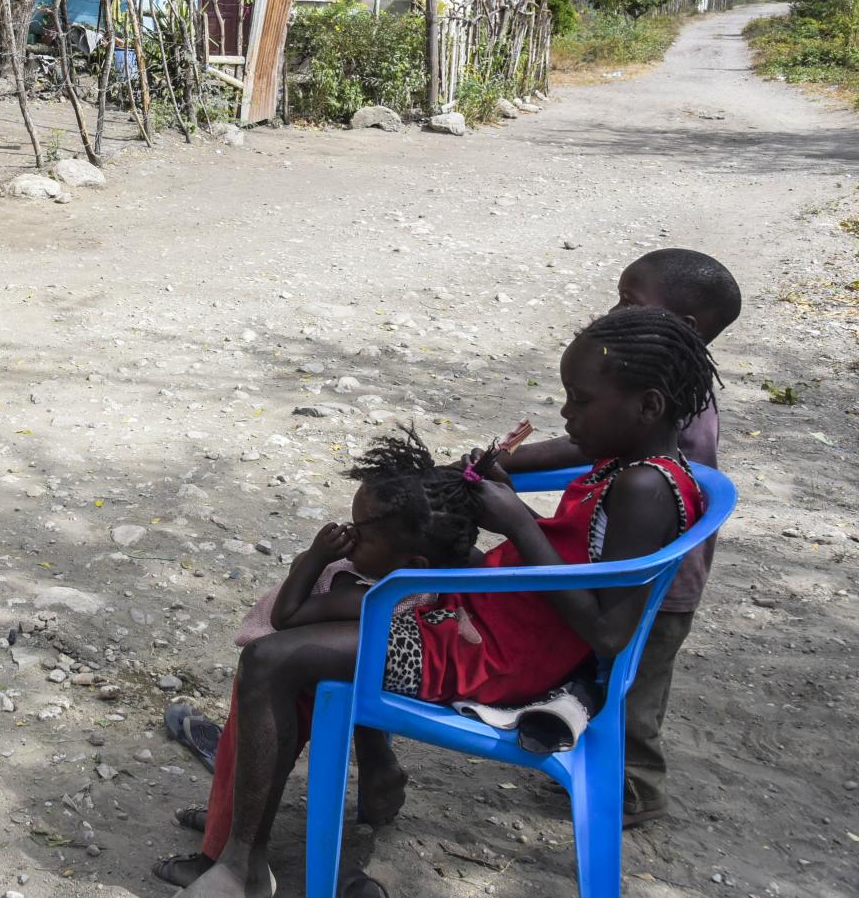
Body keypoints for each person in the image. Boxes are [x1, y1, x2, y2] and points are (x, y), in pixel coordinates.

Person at [185, 307, 719, 898]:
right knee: (327, 610)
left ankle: (240, 862)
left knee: (272, 659)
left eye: (581, 400)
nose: (567, 413)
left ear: (647, 406)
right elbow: (582, 562)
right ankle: (268, 830)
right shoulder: (633, 469)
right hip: (491, 623)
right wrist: (504, 501)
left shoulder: (644, 488)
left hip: (489, 656)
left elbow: (609, 633)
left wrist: (518, 524)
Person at [151, 430, 489, 890]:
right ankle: (369, 765)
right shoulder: (441, 572)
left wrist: (316, 556)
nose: (347, 541)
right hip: (390, 662)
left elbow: (285, 615)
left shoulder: (363, 592)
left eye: (359, 533)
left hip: (348, 668)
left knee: (254, 706)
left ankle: (224, 851)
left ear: (412, 560)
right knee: (290, 690)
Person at [497, 247, 739, 825]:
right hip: (629, 563)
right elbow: (593, 440)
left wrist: (515, 476)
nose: (613, 309)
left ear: (684, 327)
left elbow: (591, 447)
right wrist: (511, 462)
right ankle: (592, 757)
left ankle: (636, 789)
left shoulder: (673, 405)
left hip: (658, 579)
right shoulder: (658, 387)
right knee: (611, 683)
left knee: (636, 692)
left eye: (630, 301)